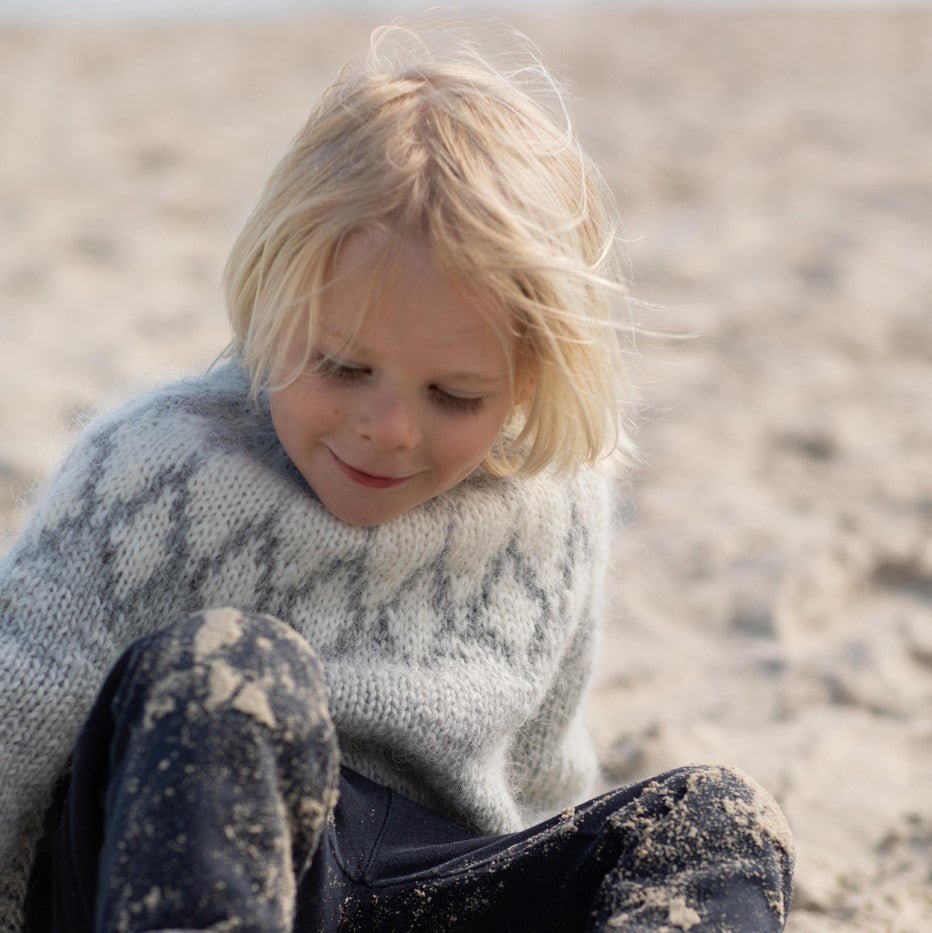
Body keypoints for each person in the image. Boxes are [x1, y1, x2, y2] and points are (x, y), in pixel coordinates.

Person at [0, 20, 794, 933]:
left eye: (455, 395)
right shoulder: (150, 472)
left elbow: (539, 775)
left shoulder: (556, 504)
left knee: (712, 816)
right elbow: (15, 717)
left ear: (529, 377)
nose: (388, 429)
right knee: (230, 668)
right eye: (341, 367)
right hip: (171, 868)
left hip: (425, 884)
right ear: (271, 299)